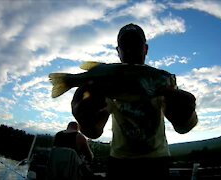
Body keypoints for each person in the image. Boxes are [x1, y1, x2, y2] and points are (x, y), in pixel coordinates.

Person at [71, 23, 198, 179]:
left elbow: (184, 127)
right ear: (118, 52)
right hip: (119, 162)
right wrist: (84, 121)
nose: (130, 50)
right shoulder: (109, 81)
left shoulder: (156, 80)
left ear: (145, 49)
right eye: (125, 47)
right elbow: (94, 132)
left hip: (157, 162)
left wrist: (185, 117)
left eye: (136, 46)